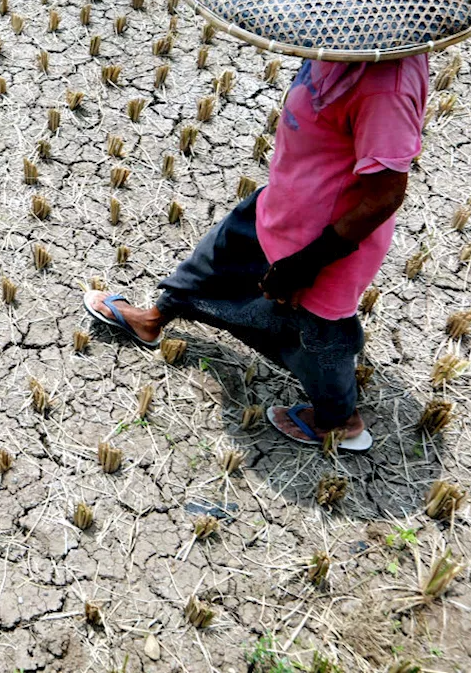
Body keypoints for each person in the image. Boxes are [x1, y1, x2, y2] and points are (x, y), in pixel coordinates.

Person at [84, 56, 428, 452]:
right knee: (214, 260)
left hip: (326, 245)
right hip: (281, 206)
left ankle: (339, 421)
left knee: (319, 334)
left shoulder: (388, 85)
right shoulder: (338, 38)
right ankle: (152, 319)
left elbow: (384, 195)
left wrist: (306, 263)